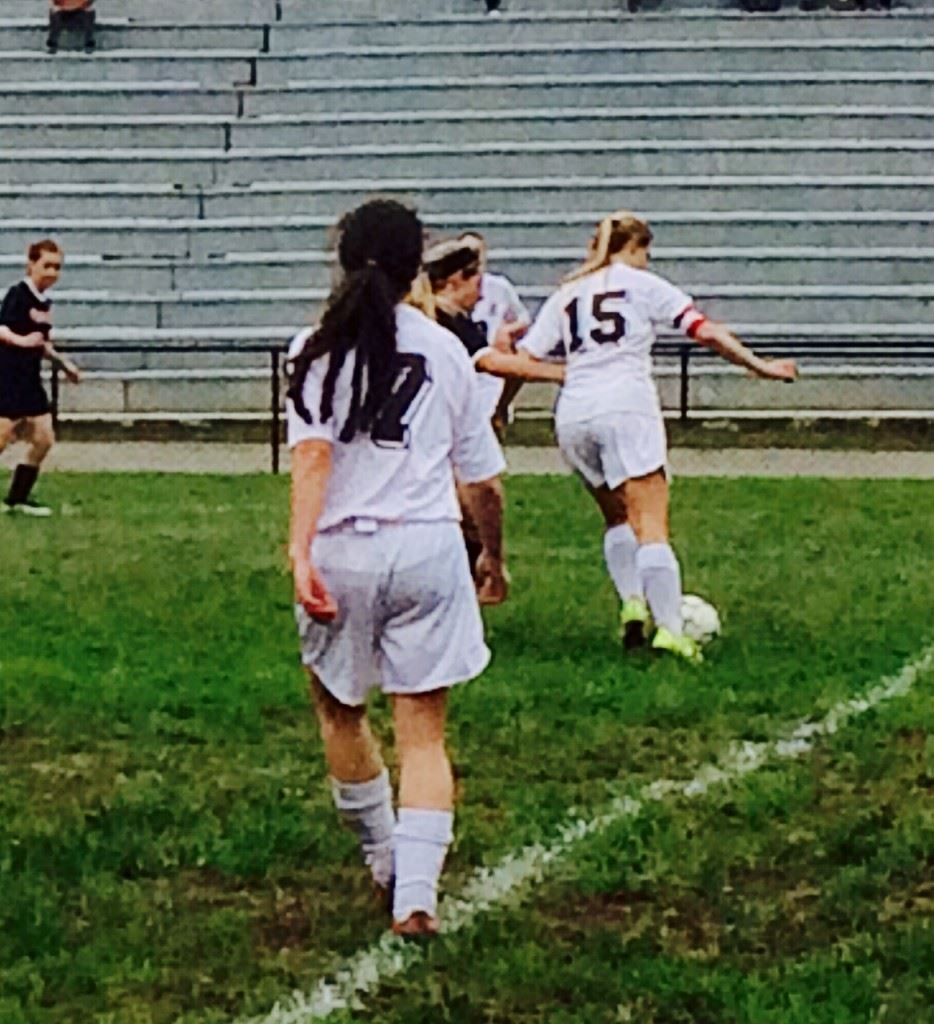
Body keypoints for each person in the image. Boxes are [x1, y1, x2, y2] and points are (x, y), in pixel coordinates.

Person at [286, 199, 507, 939]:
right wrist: (494, 554)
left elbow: (312, 456)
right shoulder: (446, 349)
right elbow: (481, 479)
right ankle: (415, 893)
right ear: (418, 266)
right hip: (426, 546)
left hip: (340, 548)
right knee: (424, 732)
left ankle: (383, 855)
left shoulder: (311, 348)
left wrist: (298, 549)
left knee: (340, 711)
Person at [519, 211, 797, 662]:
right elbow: (705, 332)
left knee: (616, 519)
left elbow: (522, 357)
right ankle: (670, 628)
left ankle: (632, 602)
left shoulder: (566, 294)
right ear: (636, 248)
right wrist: (760, 366)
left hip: (572, 412)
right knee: (651, 523)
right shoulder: (641, 283)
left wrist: (507, 403)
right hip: (626, 405)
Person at [422, 237, 564, 582]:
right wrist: (562, 373)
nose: (481, 294)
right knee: (469, 503)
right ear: (455, 281)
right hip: (431, 429)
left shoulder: (445, 317)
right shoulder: (441, 318)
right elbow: (492, 363)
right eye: (476, 283)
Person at [1, 240, 81, 517]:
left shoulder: (44, 302)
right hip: (8, 376)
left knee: (44, 439)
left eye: (57, 267)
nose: (52, 272)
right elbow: (2, 330)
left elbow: (41, 342)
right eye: (47, 265)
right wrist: (22, 341)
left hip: (30, 379)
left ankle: (17, 499)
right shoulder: (18, 295)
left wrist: (63, 363)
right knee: (1, 438)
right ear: (31, 264)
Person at [456, 231, 532, 439]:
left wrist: (508, 330)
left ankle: (500, 409)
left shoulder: (499, 287)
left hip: (491, 363)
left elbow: (523, 318)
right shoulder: (452, 287)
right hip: (465, 362)